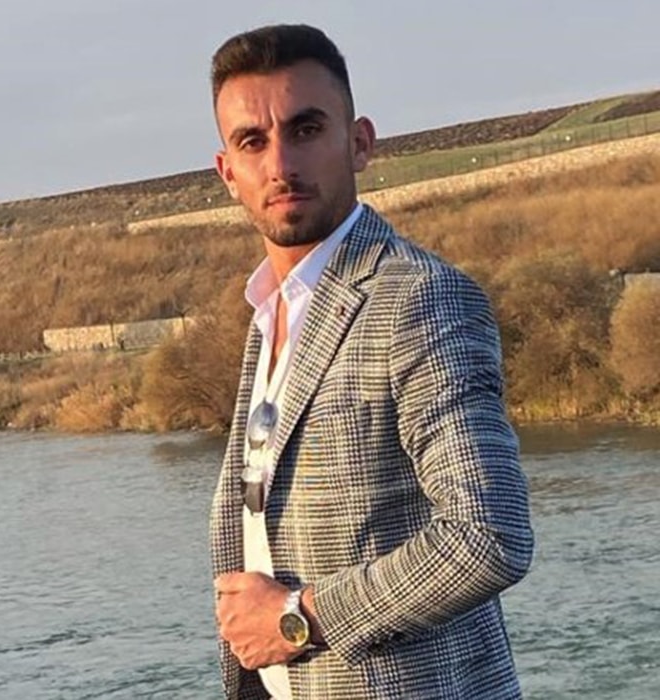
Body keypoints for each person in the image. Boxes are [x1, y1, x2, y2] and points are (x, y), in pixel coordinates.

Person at [206, 24, 534, 699]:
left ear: (359, 143)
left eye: (305, 129)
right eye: (252, 142)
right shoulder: (268, 314)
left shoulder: (418, 297)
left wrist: (298, 618)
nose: (280, 164)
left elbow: (488, 534)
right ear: (228, 172)